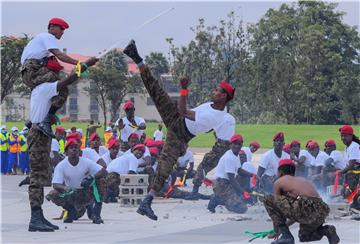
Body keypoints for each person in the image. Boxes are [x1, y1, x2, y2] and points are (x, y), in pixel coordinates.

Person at [123, 40, 234, 220]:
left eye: (217, 91)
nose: (214, 92)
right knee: (156, 91)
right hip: (177, 119)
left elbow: (184, 111)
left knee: (164, 166)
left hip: (180, 134)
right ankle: (136, 57)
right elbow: (184, 114)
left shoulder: (216, 116)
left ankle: (147, 202)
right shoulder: (216, 106)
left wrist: (183, 90)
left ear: (224, 97)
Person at [26, 56, 97, 232]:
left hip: (41, 133)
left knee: (42, 176)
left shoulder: (44, 89)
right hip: (38, 133)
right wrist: (86, 64)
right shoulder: (44, 88)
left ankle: (38, 215)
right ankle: (35, 217)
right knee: (37, 177)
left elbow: (64, 86)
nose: (57, 75)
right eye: (55, 73)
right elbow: (68, 80)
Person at [21, 18, 93, 136]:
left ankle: (35, 120)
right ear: (52, 27)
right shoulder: (47, 37)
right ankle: (46, 119)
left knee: (55, 91)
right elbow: (59, 55)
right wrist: (79, 64)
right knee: (61, 85)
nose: (63, 32)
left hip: (31, 71)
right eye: (61, 29)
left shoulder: (40, 42)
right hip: (32, 70)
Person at [263, 159, 339, 244]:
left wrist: (278, 230)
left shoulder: (279, 181)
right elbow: (298, 212)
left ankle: (286, 236)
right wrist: (284, 227)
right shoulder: (304, 181)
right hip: (321, 209)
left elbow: (276, 205)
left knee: (268, 199)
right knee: (304, 236)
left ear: (280, 172)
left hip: (304, 206)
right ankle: (326, 230)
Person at [46, 139, 107, 224]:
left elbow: (104, 171)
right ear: (66, 152)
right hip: (72, 193)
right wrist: (65, 188)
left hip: (87, 193)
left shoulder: (86, 162)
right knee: (53, 194)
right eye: (71, 148)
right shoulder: (61, 165)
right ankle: (71, 211)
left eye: (76, 147)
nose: (74, 149)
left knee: (101, 180)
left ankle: (96, 214)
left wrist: (92, 177)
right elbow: (55, 184)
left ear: (79, 151)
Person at [188, 113, 236, 200]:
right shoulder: (231, 118)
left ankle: (194, 192)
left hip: (220, 147)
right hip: (230, 147)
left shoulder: (218, 117)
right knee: (226, 171)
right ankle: (228, 194)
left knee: (202, 167)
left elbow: (207, 129)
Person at [207, 134, 247, 214]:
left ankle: (223, 197)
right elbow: (232, 179)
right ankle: (216, 199)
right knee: (241, 208)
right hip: (222, 184)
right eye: (234, 144)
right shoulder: (230, 157)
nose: (236, 146)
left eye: (239, 144)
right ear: (230, 145)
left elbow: (239, 170)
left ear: (241, 145)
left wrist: (252, 175)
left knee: (242, 203)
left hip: (227, 183)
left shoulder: (235, 155)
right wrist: (243, 192)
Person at [338, 125, 360, 210]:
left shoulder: (354, 146)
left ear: (351, 135)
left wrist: (340, 172)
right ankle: (355, 203)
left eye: (345, 135)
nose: (343, 138)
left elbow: (351, 165)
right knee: (345, 192)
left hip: (356, 172)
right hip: (354, 172)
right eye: (341, 135)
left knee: (347, 192)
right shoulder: (348, 147)